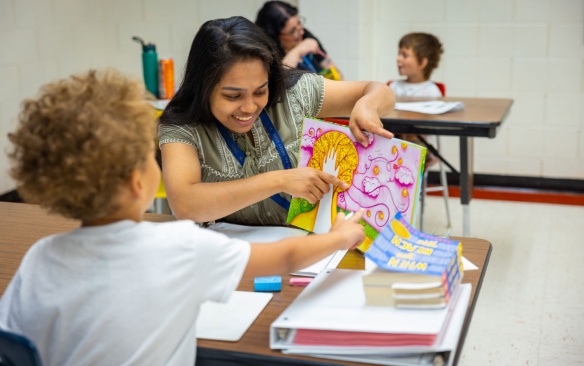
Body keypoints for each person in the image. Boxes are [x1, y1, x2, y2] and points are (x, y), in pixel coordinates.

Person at [0, 68, 366, 366]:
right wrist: (340, 236)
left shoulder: (39, 257)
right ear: (136, 180)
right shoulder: (180, 246)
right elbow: (285, 257)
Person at [159, 16, 394, 226]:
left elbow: (379, 91)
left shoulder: (294, 92)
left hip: (311, 253)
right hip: (235, 260)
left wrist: (368, 104)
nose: (250, 107)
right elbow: (185, 205)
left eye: (260, 91)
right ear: (204, 88)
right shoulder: (182, 125)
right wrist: (279, 181)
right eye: (233, 96)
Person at [255, 0, 343, 79]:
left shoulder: (305, 35)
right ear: (275, 37)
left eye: (299, 23)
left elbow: (337, 74)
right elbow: (281, 83)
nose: (300, 32)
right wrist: (298, 51)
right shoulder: (269, 55)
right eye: (292, 31)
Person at [388, 32, 444, 97]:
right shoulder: (393, 86)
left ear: (422, 63)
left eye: (405, 55)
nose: (398, 59)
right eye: (399, 54)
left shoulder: (432, 91)